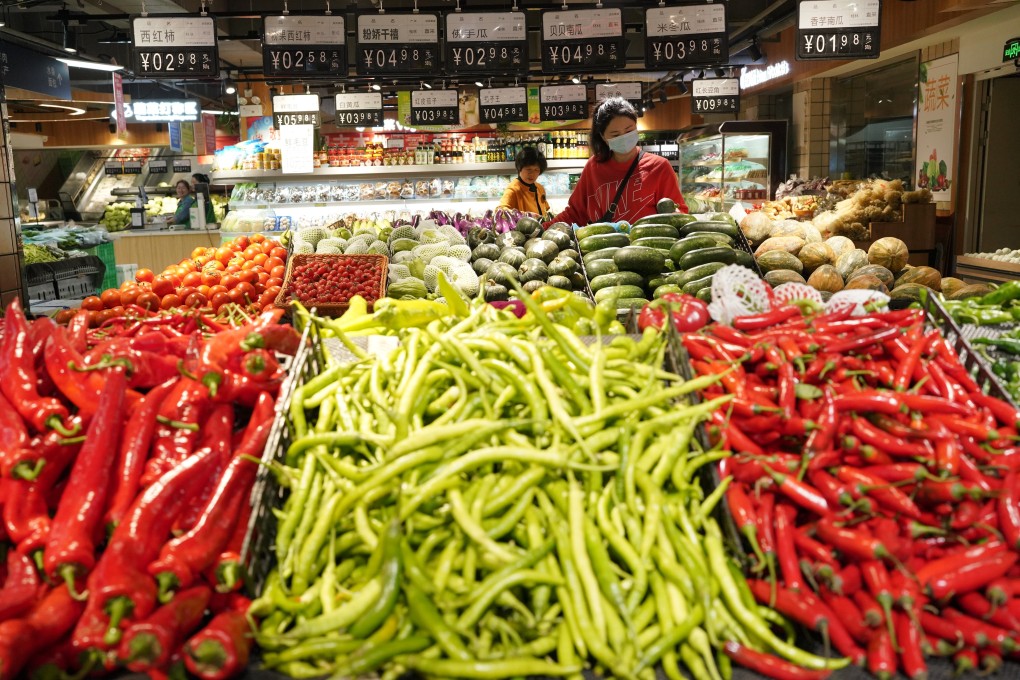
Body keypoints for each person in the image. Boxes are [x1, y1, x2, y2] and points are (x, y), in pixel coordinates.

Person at [551, 97, 687, 226]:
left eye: (629, 130)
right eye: (615, 135)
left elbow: (678, 215)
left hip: (647, 248)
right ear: (603, 137)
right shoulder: (594, 167)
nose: (624, 137)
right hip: (604, 248)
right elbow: (574, 214)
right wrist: (543, 229)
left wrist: (677, 216)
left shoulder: (659, 167)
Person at [499, 146, 551, 218]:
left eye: (536, 170)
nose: (532, 174)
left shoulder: (540, 188)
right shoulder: (513, 189)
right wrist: (524, 215)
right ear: (519, 168)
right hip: (522, 228)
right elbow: (500, 211)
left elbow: (545, 210)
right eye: (528, 169)